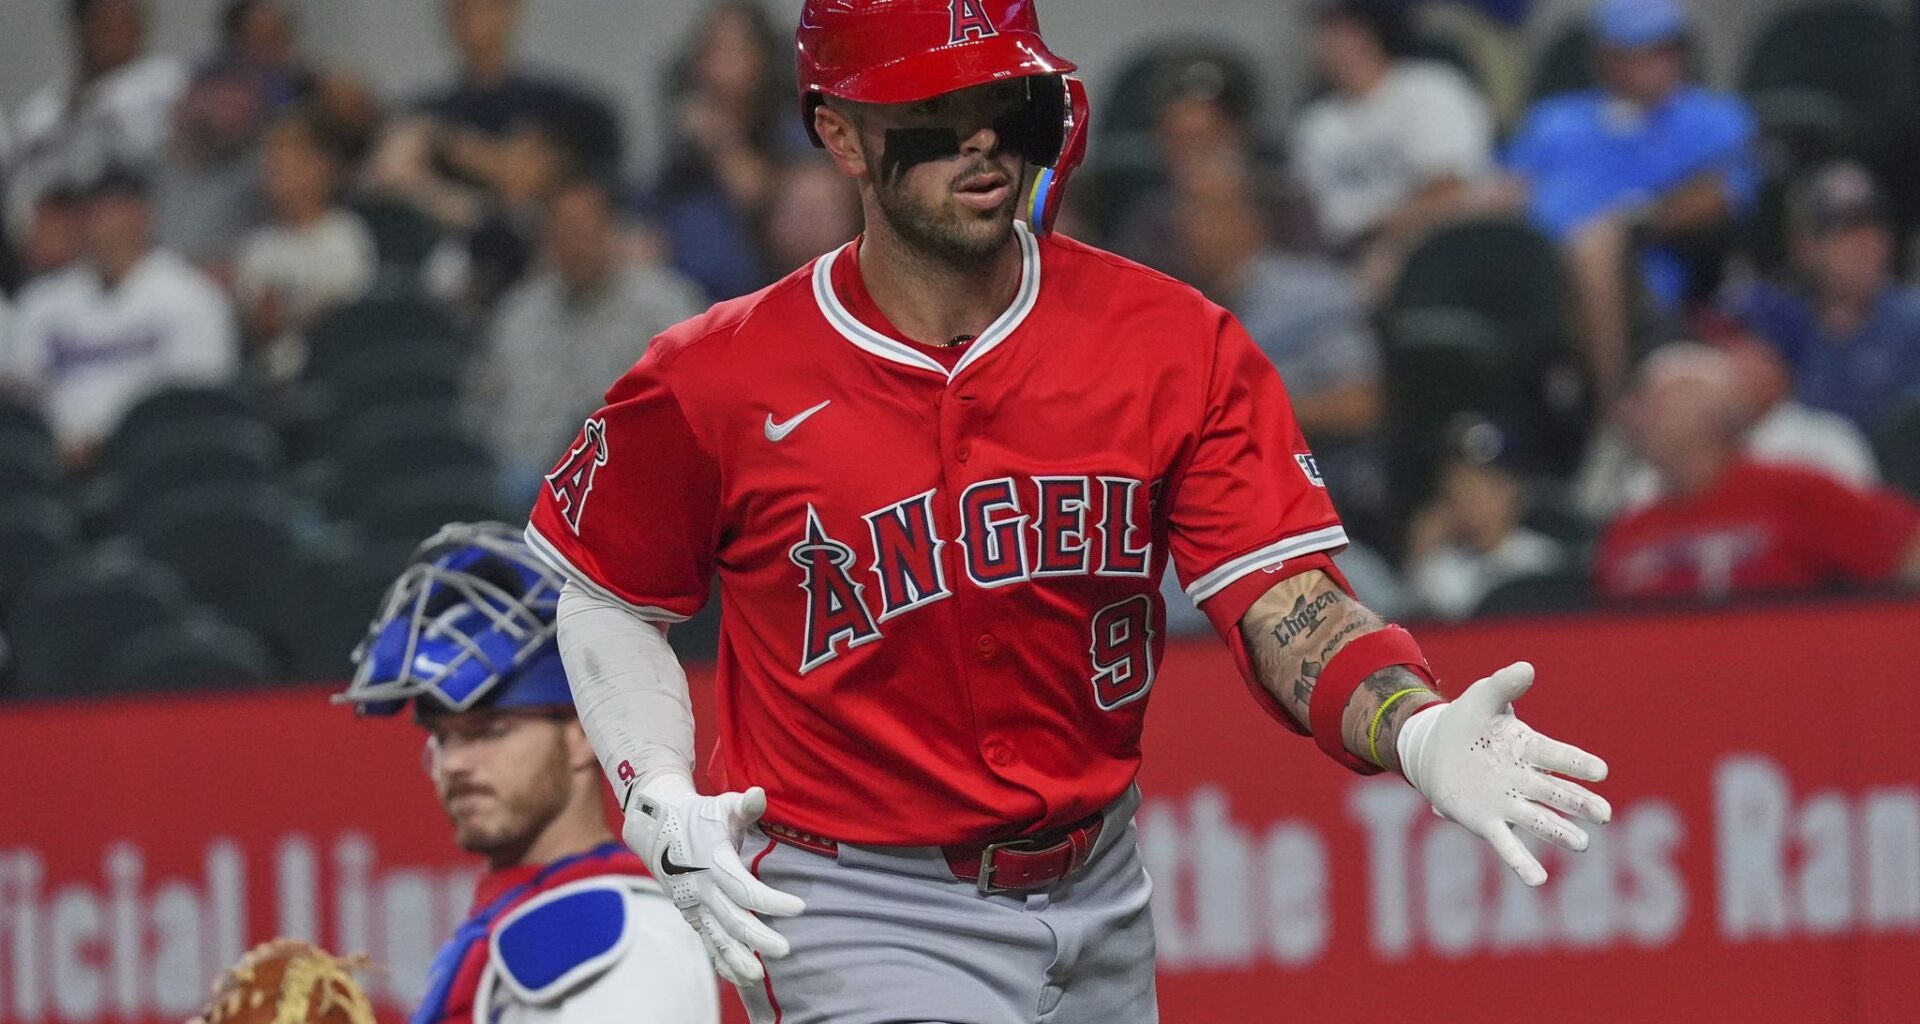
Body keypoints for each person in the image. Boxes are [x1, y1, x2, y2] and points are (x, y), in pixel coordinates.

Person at [525, 3, 1611, 1021]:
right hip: (855, 899)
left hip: (1099, 889)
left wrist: (1412, 728)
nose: (984, 142)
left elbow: (1282, 599)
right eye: (936, 116)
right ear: (842, 137)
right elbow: (608, 594)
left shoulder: (1171, 343)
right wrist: (654, 787)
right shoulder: (715, 376)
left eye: (1006, 104)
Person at [337, 522, 718, 1024]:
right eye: (443, 736)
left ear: (585, 734)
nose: (454, 762)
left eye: (490, 730)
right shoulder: (514, 918)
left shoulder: (611, 929)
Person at [1501, 0, 1759, 406]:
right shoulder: (1557, 118)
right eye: (1632, 53)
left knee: (1594, 245)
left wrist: (1636, 219)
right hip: (1535, 262)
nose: (1650, 65)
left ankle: (1614, 412)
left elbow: (1725, 192)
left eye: (1662, 50)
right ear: (1605, 57)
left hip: (1636, 269)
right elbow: (1507, 187)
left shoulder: (1712, 118)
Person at [1596, 344, 1920, 601]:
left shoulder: (1796, 491)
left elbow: (1906, 550)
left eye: (1650, 397)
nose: (1631, 415)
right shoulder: (1627, 530)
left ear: (1710, 413)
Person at [478, 176, 703, 502]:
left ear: (612, 231)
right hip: (530, 495)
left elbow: (703, 410)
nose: (577, 244)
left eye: (586, 230)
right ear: (546, 240)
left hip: (640, 491)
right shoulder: (517, 315)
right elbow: (485, 411)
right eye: (564, 232)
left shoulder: (666, 306)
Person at [3, 166, 237, 466]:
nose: (96, 221)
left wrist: (106, 443)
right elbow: (22, 402)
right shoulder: (41, 304)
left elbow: (197, 409)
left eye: (108, 208)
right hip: (55, 471)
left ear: (141, 214)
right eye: (90, 209)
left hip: (157, 467)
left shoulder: (192, 297)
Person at [1290, 0, 1496, 260]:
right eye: (1325, 34)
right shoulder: (1316, 124)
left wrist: (1390, 230)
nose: (1330, 45)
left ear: (1370, 33)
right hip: (1344, 258)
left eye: (1345, 31)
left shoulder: (1431, 88)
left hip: (1444, 241)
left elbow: (1449, 188)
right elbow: (1314, 219)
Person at [1727, 161, 1920, 435]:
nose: (1866, 245)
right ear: (1806, 247)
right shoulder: (1774, 320)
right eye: (1846, 233)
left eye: (1874, 229)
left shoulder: (1912, 321)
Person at [654, 0, 807, 300]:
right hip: (686, 296)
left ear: (761, 56)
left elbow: (771, 202)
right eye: (709, 51)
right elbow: (658, 205)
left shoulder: (791, 126)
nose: (715, 65)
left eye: (731, 50)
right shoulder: (686, 136)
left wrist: (721, 143)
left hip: (768, 289)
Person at [7, 0, 187, 242]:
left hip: (138, 235)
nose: (120, 33)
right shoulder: (39, 113)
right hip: (53, 248)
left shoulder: (168, 83)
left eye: (128, 22)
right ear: (81, 28)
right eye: (107, 24)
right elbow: (23, 193)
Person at [233, 108, 377, 383]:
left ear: (321, 169)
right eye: (273, 170)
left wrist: (295, 309)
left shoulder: (346, 233)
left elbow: (348, 310)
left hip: (341, 368)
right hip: (279, 378)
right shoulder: (259, 248)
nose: (280, 181)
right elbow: (263, 324)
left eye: (291, 168)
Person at [1406, 417, 1568, 620]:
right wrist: (1419, 557)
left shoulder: (1545, 561)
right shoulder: (1436, 568)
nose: (1468, 498)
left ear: (1513, 491)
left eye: (1481, 485)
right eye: (1458, 485)